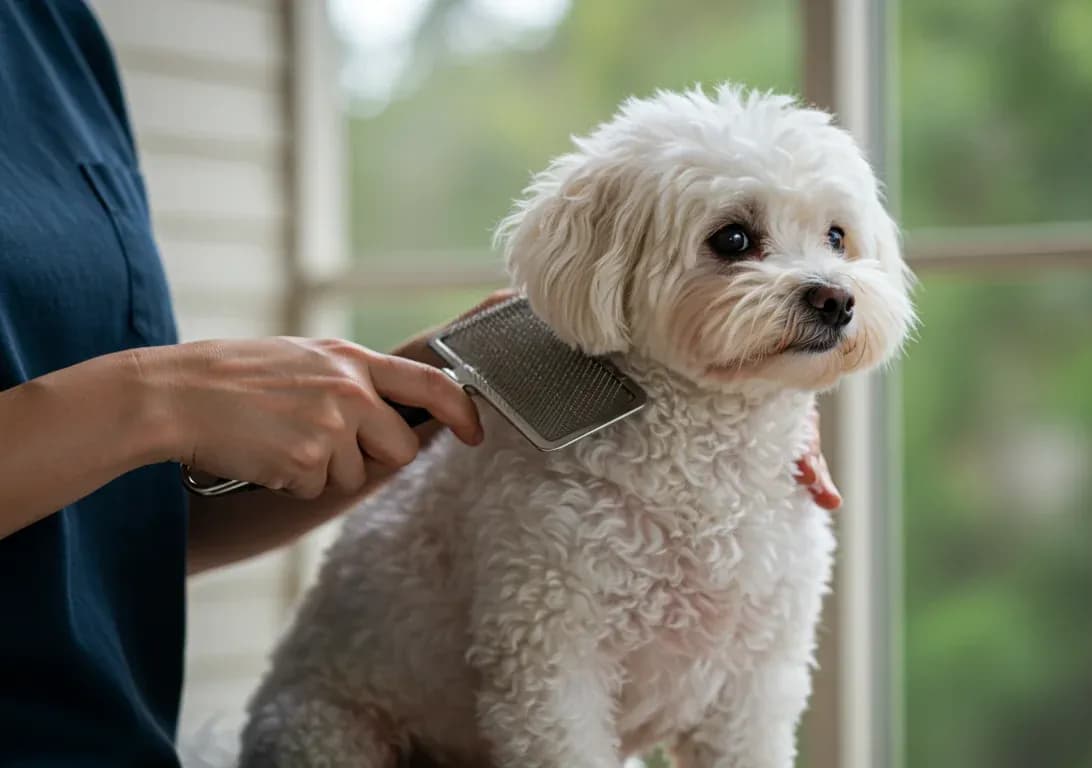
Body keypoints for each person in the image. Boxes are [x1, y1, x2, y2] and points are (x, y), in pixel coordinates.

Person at [0, 2, 840, 764]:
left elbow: (120, 526)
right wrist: (160, 399)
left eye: (838, 237)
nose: (826, 285)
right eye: (735, 242)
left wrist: (444, 373)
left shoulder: (59, 31)